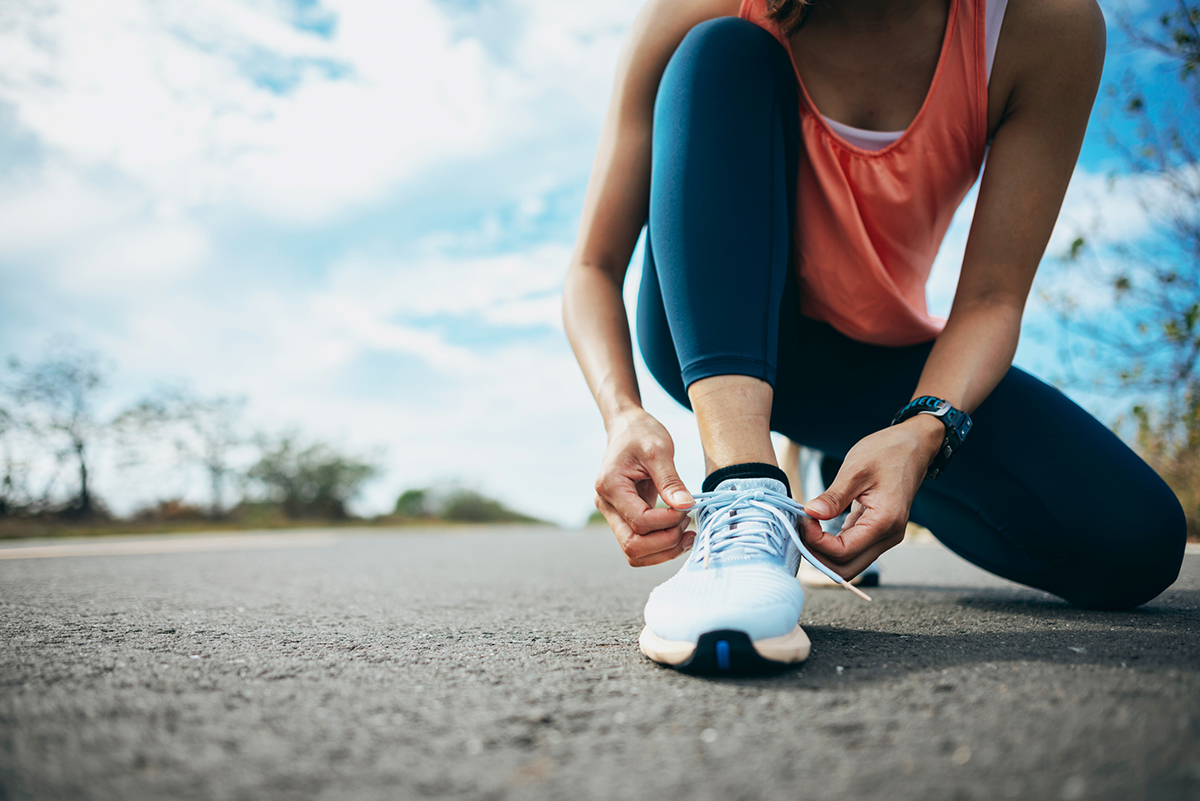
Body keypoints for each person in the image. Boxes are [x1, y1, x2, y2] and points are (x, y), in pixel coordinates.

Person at [562, 0, 1187, 673]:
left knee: (1134, 542)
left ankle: (843, 467)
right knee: (723, 49)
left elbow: (992, 299)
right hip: (712, 330)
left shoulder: (1042, 26)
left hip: (871, 364)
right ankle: (745, 495)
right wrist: (621, 412)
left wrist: (922, 434)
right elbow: (592, 268)